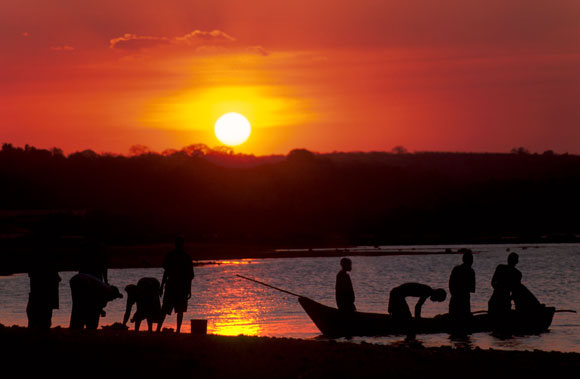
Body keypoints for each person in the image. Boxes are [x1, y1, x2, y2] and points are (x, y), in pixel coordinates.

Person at [157, 236, 194, 333]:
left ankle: (158, 329)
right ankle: (177, 330)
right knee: (178, 310)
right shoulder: (186, 257)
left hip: (171, 286)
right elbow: (190, 276)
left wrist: (161, 286)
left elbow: (166, 272)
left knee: (165, 309)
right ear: (183, 245)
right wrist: (189, 289)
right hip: (180, 287)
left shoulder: (171, 255)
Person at [27, 249, 61, 330]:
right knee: (45, 309)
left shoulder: (36, 262)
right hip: (44, 291)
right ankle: (42, 326)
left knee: (40, 309)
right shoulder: (47, 263)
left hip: (40, 291)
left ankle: (39, 326)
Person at [488, 252, 522, 321]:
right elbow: (516, 291)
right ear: (517, 262)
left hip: (497, 299)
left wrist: (498, 291)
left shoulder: (500, 268)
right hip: (503, 300)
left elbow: (492, 283)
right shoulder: (517, 274)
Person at [448, 250, 476, 320]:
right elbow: (472, 289)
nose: (472, 261)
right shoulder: (471, 271)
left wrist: (454, 294)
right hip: (464, 301)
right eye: (471, 259)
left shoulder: (456, 269)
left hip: (454, 299)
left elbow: (450, 284)